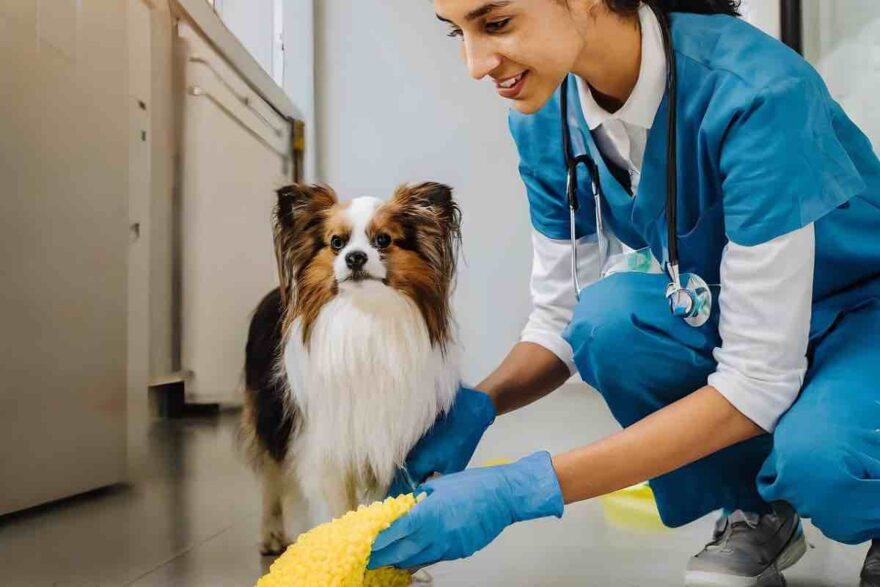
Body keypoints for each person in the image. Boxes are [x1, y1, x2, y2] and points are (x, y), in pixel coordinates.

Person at [367, 1, 880, 585]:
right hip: (742, 311)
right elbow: (560, 315)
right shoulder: (545, 117)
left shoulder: (756, 91)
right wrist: (481, 406)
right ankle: (756, 513)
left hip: (865, 308)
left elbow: (757, 380)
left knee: (825, 463)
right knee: (608, 323)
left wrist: (523, 488)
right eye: (457, 33)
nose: (475, 64)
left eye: (496, 23)